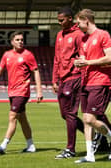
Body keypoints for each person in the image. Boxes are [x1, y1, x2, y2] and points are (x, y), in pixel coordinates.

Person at [0, 31, 43, 154]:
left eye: (22, 40)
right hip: (12, 92)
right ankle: (31, 146)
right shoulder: (6, 55)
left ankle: (3, 145)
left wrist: (39, 91)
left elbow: (36, 72)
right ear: (12, 42)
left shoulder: (28, 55)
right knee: (22, 119)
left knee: (12, 117)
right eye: (17, 40)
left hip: (22, 91)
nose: (20, 42)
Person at [74, 9, 111, 163]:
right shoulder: (83, 39)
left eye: (78, 23)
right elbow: (84, 59)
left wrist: (88, 62)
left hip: (101, 81)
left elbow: (109, 58)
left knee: (90, 119)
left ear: (86, 20)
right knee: (86, 119)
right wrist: (79, 63)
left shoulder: (103, 35)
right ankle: (90, 155)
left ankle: (109, 136)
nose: (77, 26)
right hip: (86, 82)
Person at [52, 6, 84, 159]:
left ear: (70, 19)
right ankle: (100, 137)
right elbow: (57, 58)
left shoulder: (78, 35)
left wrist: (77, 72)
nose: (59, 23)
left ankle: (70, 149)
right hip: (63, 79)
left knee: (70, 113)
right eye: (58, 20)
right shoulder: (59, 35)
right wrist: (54, 79)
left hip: (74, 77)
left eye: (62, 20)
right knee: (65, 114)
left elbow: (83, 56)